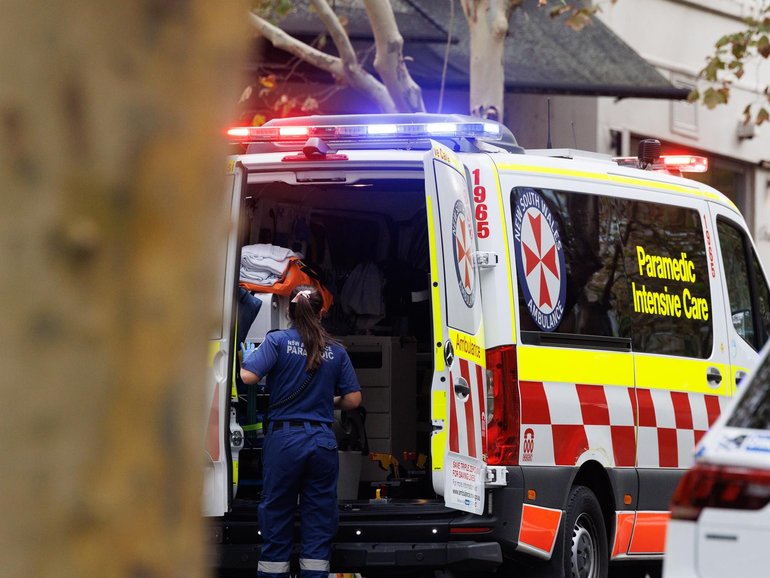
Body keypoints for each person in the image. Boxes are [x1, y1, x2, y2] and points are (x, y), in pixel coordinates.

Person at [241, 284, 362, 578]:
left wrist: (248, 356)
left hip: (285, 440)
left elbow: (248, 376)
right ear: (322, 312)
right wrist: (327, 400)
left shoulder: (278, 342)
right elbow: (354, 399)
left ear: (288, 311)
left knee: (277, 512)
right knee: (319, 516)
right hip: (322, 442)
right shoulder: (336, 350)